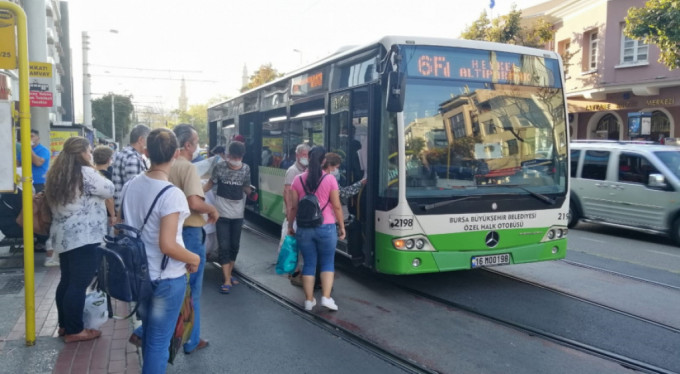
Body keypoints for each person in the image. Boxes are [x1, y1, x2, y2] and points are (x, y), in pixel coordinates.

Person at [121, 128, 200, 373]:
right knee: (158, 342)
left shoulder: (131, 185)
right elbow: (168, 244)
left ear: (146, 152)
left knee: (151, 335)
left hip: (139, 275)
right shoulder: (171, 194)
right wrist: (194, 257)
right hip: (165, 280)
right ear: (176, 153)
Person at [44, 137, 114, 343]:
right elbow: (109, 189)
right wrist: (93, 168)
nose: (91, 154)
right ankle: (75, 330)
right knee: (78, 283)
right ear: (83, 153)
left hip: (63, 236)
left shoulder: (56, 173)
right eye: (89, 151)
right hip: (84, 237)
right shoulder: (86, 173)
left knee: (66, 281)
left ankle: (65, 325)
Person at [169, 124, 218, 354]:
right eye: (196, 141)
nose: (198, 145)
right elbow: (194, 203)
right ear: (187, 145)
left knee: (174, 285)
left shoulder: (166, 165)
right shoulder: (187, 167)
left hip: (171, 232)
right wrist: (212, 210)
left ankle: (151, 331)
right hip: (190, 232)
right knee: (192, 290)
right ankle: (192, 339)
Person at [287, 146, 345, 311]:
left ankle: (308, 300)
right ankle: (326, 297)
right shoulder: (330, 179)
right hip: (326, 226)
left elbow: (293, 208)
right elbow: (336, 206)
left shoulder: (297, 180)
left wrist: (291, 226)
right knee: (327, 262)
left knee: (309, 263)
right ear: (324, 161)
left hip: (304, 228)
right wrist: (341, 227)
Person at [202, 141, 255, 294]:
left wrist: (251, 193)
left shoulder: (246, 169)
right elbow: (209, 185)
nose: (236, 159)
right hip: (221, 213)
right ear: (228, 155)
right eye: (234, 156)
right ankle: (226, 280)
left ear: (242, 156)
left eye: (239, 157)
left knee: (234, 246)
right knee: (224, 246)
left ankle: (228, 274)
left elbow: (245, 187)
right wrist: (196, 193)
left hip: (238, 214)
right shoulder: (219, 167)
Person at [281, 143, 310, 286]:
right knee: (291, 242)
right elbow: (286, 191)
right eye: (303, 155)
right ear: (297, 155)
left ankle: (296, 271)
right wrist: (289, 211)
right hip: (294, 212)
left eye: (307, 155)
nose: (305, 157)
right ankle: (294, 273)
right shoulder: (293, 171)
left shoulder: (306, 169)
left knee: (297, 243)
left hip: (300, 213)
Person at [112, 124, 150, 212]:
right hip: (129, 212)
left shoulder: (123, 153)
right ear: (141, 140)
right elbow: (135, 191)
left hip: (122, 210)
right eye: (148, 141)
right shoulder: (133, 158)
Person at [92, 145, 117, 229]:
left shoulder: (91, 174)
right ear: (108, 160)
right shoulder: (107, 176)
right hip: (105, 214)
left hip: (92, 213)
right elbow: (109, 199)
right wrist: (113, 215)